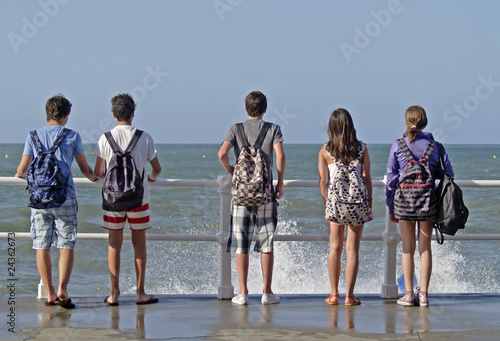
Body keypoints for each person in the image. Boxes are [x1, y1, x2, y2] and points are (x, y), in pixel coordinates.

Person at [15, 95, 97, 309]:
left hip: (39, 198)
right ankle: (62, 289)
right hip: (65, 197)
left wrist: (23, 175)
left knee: (42, 245)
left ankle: (49, 293)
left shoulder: (33, 136)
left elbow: (21, 170)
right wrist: (96, 177)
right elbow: (85, 169)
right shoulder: (72, 136)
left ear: (47, 113)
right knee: (66, 244)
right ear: (66, 115)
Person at [218, 90, 286, 305]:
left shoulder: (235, 128)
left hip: (241, 195)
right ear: (265, 109)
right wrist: (280, 182)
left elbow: (221, 153)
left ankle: (243, 293)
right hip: (265, 193)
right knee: (266, 243)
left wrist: (231, 170)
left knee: (241, 243)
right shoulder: (273, 129)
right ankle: (267, 293)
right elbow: (281, 156)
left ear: (246, 109)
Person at [94, 93, 162, 306]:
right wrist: (149, 178)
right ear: (133, 113)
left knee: (114, 244)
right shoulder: (145, 137)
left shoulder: (105, 138)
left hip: (113, 199)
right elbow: (157, 169)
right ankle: (140, 293)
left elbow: (98, 172)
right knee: (139, 244)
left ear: (114, 114)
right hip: (139, 198)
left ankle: (114, 294)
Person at [386, 105, 454, 307]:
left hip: (404, 203)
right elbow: (448, 173)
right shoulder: (436, 146)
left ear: (406, 122)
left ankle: (408, 294)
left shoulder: (398, 145)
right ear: (425, 122)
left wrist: (391, 206)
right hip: (427, 203)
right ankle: (423, 294)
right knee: (425, 249)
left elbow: (391, 179)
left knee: (407, 249)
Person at [318, 108, 372, 306]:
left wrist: (327, 206)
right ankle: (350, 295)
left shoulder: (325, 150)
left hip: (335, 204)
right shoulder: (362, 148)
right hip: (357, 204)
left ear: (331, 127)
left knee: (335, 247)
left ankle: (334, 295)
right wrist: (370, 203)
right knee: (352, 249)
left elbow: (324, 181)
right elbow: (366, 177)